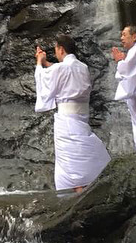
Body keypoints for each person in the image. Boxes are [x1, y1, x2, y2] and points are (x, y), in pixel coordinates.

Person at [35, 35, 110, 192]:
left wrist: (39, 62)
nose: (55, 53)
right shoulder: (82, 67)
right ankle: (87, 187)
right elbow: (59, 72)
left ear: (61, 49)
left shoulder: (61, 68)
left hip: (67, 120)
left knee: (71, 163)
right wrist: (45, 62)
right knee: (83, 155)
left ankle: (79, 194)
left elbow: (46, 76)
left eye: (56, 50)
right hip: (82, 117)